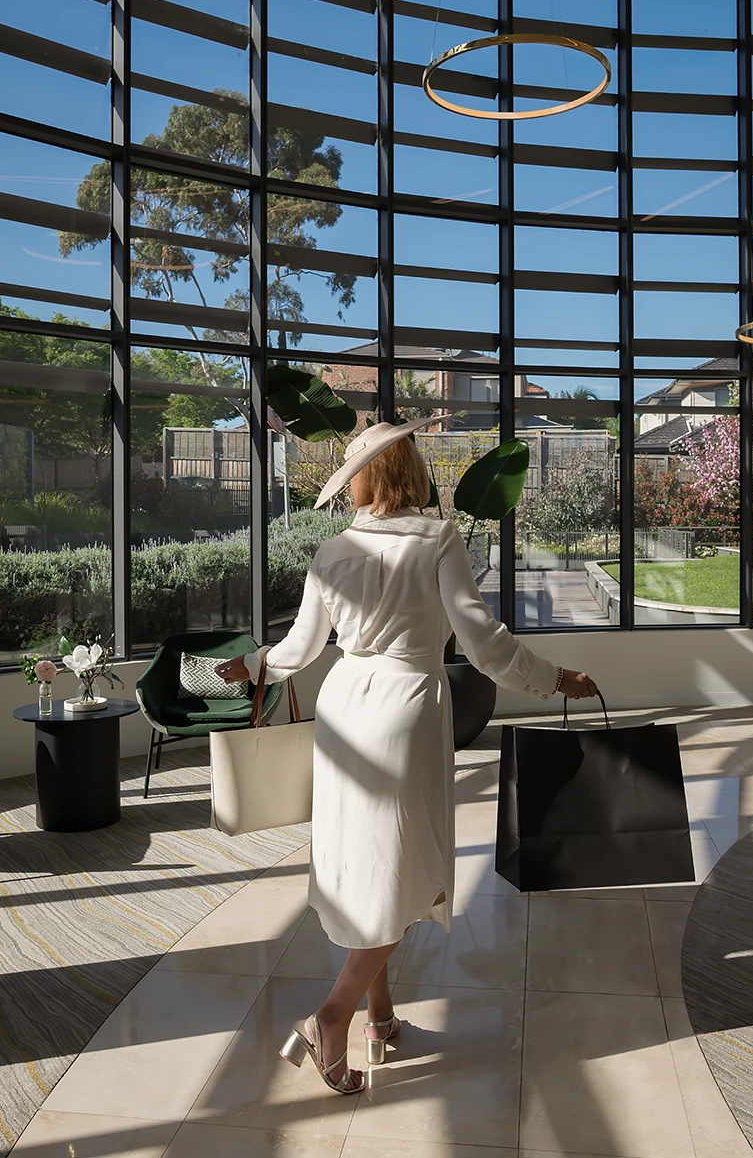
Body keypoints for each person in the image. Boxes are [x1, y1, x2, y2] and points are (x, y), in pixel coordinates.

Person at [217, 418, 597, 1095]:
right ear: (410, 473)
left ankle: (381, 1019)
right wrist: (555, 677)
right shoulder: (439, 538)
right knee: (409, 871)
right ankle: (332, 1017)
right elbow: (482, 642)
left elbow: (300, 651)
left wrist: (248, 666)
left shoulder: (333, 552)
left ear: (368, 478)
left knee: (370, 866)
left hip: (345, 708)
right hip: (406, 707)